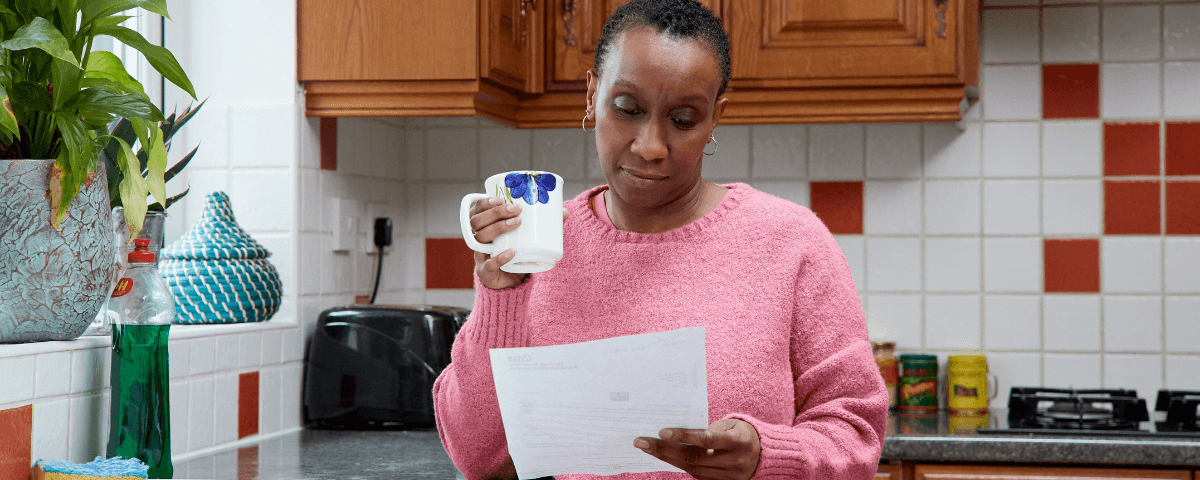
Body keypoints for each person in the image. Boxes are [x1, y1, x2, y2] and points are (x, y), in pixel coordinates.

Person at [433, 1, 888, 478]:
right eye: (627, 108)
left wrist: (766, 455)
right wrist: (500, 298)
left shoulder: (791, 241)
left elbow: (856, 433)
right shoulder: (540, 245)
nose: (650, 146)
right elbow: (477, 458)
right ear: (592, 96)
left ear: (716, 117)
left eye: (684, 119)